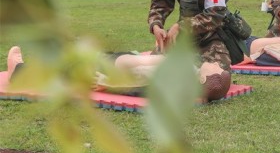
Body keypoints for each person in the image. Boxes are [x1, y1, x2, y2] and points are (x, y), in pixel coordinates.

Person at [5, 46, 232, 101]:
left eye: (216, 69)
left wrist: (107, 82)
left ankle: (19, 70)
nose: (218, 65)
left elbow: (140, 84)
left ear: (205, 77)